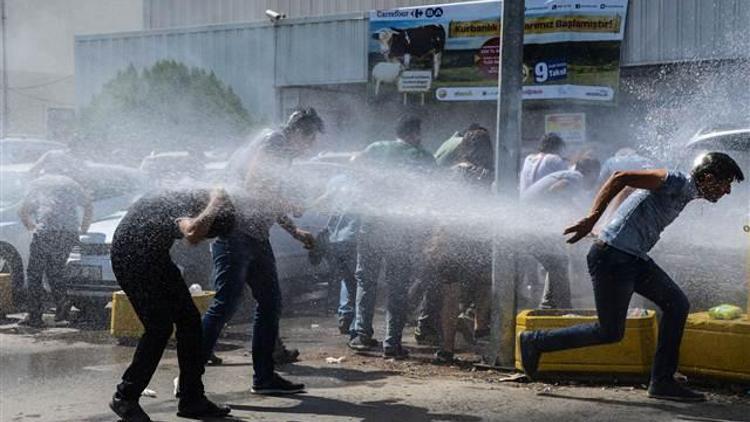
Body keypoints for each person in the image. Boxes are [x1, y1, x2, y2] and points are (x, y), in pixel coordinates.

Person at [519, 152, 744, 402]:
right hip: (613, 258)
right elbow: (621, 178)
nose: (727, 191)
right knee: (610, 332)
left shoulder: (686, 192)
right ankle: (535, 341)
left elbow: (629, 192)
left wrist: (610, 222)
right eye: (726, 184)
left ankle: (662, 381)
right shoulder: (676, 181)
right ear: (709, 178)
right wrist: (593, 218)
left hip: (631, 258)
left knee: (677, 304)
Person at [201, 107, 324, 394]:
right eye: (312, 139)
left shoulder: (279, 148)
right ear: (301, 132)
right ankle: (190, 374)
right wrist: (289, 204)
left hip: (255, 235)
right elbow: (255, 187)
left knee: (269, 304)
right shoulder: (275, 143)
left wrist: (294, 230)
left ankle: (265, 377)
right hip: (237, 234)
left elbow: (264, 196)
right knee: (225, 305)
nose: (312, 146)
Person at [109, 188, 234, 421]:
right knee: (159, 327)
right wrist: (216, 202)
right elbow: (193, 232)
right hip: (131, 259)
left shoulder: (187, 196)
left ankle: (192, 399)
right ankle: (125, 397)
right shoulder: (183, 204)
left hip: (154, 256)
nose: (206, 239)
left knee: (190, 321)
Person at [348, 115, 435, 359]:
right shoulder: (423, 156)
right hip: (401, 230)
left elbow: (355, 162)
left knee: (366, 281)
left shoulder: (377, 148)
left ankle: (362, 336)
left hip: (371, 225)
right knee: (397, 286)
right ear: (415, 134)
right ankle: (392, 343)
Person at [424, 128, 494, 363]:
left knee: (450, 294)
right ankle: (481, 329)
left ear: (464, 148)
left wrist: (436, 237)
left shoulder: (450, 174)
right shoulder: (491, 176)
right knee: (485, 282)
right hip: (480, 239)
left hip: (451, 239)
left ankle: (446, 348)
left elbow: (437, 206)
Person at [520, 157, 601, 309]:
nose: (595, 180)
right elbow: (554, 191)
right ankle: (562, 306)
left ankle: (550, 304)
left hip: (530, 221)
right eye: (596, 175)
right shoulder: (576, 178)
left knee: (558, 260)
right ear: (590, 172)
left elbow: (563, 202)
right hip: (531, 223)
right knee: (558, 261)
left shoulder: (569, 175)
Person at [18, 174, 93, 327]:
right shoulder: (71, 183)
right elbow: (88, 205)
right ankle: (62, 307)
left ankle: (34, 315)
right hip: (67, 233)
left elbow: (22, 210)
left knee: (35, 274)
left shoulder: (36, 183)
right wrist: (83, 229)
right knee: (55, 271)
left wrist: (31, 228)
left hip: (46, 232)